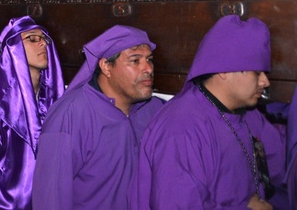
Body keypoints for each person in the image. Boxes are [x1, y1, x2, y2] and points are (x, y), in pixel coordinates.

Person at [129, 15, 288, 209]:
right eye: (257, 72)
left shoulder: (248, 113)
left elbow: (281, 167)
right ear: (225, 70)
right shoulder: (180, 129)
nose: (265, 82)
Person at [32, 24, 164, 209]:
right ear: (106, 66)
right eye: (135, 61)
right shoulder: (70, 115)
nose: (148, 68)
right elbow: (50, 197)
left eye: (149, 59)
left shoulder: (154, 109)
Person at [0, 16, 65, 209]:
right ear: (13, 49)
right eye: (32, 38)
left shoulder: (55, 100)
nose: (42, 44)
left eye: (44, 38)